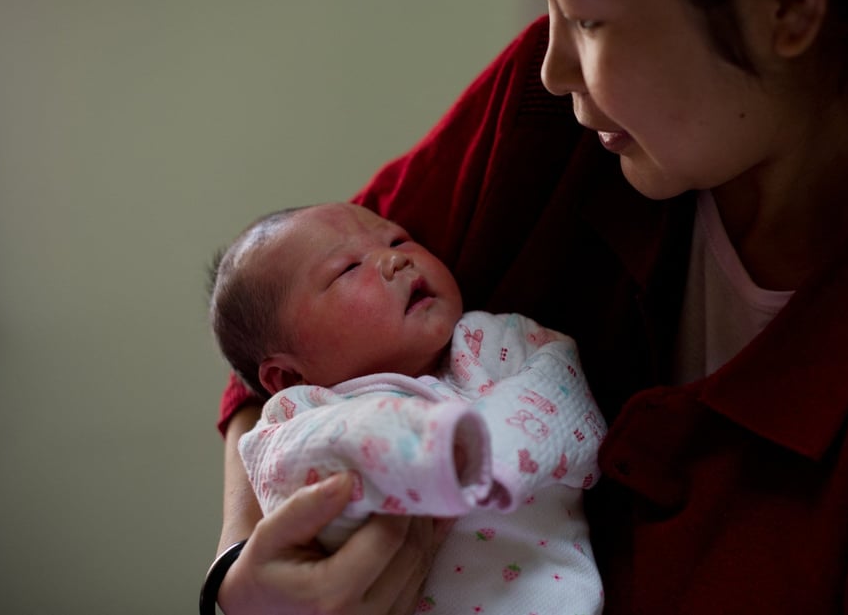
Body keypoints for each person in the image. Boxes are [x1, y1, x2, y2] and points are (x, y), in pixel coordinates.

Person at [206, 0, 848, 613]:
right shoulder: (550, 123)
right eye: (543, 1)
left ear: (785, 3)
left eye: (586, 13)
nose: (553, 65)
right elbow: (277, 312)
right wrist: (243, 572)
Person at [207, 202, 605, 615]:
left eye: (398, 240)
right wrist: (425, 451)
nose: (396, 259)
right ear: (289, 377)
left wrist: (486, 451)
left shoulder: (495, 339)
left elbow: (564, 397)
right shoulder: (297, 414)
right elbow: (313, 466)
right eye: (347, 268)